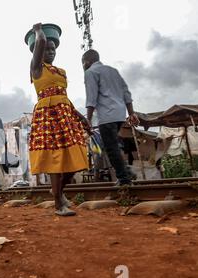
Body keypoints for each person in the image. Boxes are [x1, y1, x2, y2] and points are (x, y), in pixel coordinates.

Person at [28, 23, 89, 217]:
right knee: (55, 158)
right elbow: (41, 41)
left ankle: (57, 191)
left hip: (65, 115)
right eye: (46, 49)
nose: (50, 51)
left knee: (76, 157)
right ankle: (58, 204)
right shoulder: (36, 69)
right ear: (37, 51)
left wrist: (80, 117)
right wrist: (38, 30)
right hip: (47, 116)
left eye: (53, 49)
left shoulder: (61, 72)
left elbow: (65, 97)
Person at [82, 49, 140, 186]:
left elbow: (91, 97)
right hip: (120, 114)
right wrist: (131, 113)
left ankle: (124, 180)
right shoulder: (113, 71)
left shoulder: (90, 72)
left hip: (107, 116)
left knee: (110, 148)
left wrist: (88, 120)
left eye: (83, 63)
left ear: (87, 61)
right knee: (111, 145)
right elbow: (126, 92)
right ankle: (126, 170)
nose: (83, 66)